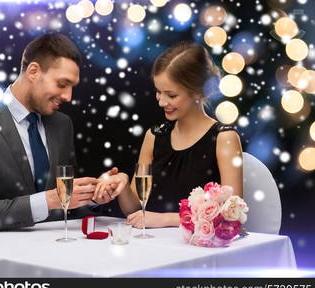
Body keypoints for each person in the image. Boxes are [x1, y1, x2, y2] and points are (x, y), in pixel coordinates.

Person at [0, 33, 115, 236]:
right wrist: (48, 200)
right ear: (33, 71)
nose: (68, 97)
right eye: (62, 84)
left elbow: (65, 205)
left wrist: (93, 196)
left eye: (72, 87)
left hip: (53, 249)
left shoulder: (62, 124)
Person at [93, 41, 243, 228]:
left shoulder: (224, 139)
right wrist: (122, 184)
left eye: (171, 95)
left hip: (198, 251)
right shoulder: (154, 136)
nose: (161, 102)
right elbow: (135, 210)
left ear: (197, 91)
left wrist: (166, 219)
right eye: (158, 92)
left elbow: (232, 213)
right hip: (154, 246)